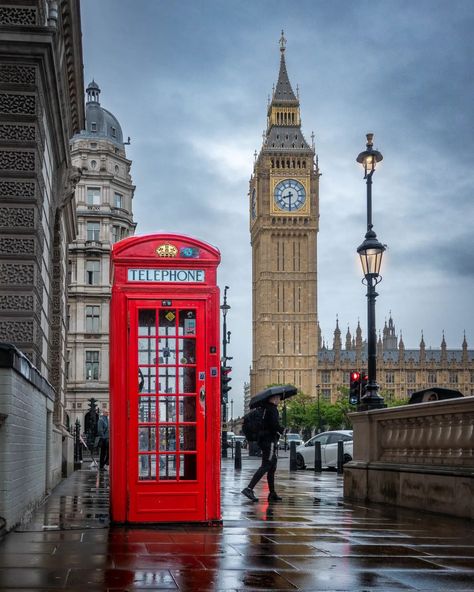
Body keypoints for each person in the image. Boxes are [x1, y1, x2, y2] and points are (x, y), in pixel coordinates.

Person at [241, 393, 285, 502]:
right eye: (278, 398)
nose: (279, 399)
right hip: (269, 441)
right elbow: (274, 425)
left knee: (272, 466)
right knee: (266, 465)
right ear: (273, 398)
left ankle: (272, 493)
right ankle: (249, 488)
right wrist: (282, 430)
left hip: (263, 440)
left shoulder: (263, 409)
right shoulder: (272, 409)